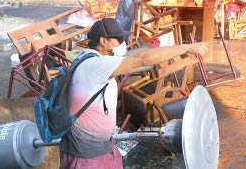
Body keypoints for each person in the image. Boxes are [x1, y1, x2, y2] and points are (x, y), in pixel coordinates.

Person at [59, 18, 207, 168]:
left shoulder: (92, 59)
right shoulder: (95, 65)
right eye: (118, 39)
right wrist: (187, 48)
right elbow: (143, 59)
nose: (122, 43)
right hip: (86, 157)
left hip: (104, 148)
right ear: (103, 41)